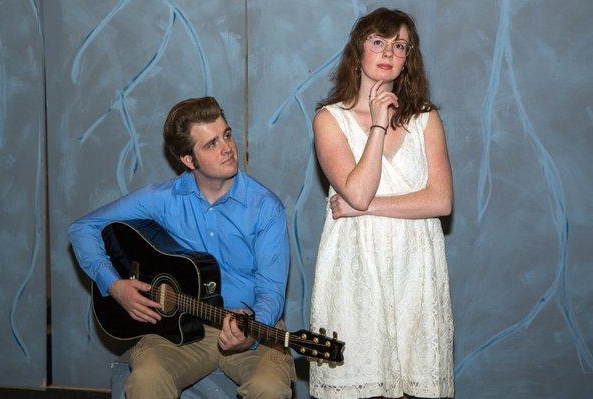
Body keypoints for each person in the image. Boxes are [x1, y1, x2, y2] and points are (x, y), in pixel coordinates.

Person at [69, 97, 296, 398]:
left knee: (269, 389)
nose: (227, 148)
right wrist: (113, 285)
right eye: (211, 144)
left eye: (226, 135)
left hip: (249, 325)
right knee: (147, 381)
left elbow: (272, 291)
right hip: (179, 330)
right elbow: (83, 227)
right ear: (189, 160)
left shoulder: (265, 208)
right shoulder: (163, 199)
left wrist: (251, 329)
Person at [309, 8, 454, 399]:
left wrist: (367, 207)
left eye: (400, 46)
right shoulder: (329, 119)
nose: (389, 52)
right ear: (359, 50)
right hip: (356, 270)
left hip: (415, 270)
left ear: (408, 59)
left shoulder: (426, 118)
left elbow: (440, 201)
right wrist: (376, 123)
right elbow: (355, 191)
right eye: (379, 42)